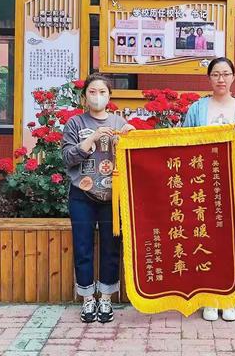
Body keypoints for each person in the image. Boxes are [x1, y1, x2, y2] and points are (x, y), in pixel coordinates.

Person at [183, 57, 235, 323]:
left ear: (233, 77)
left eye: (226, 73)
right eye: (216, 74)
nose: (221, 78)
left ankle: (229, 299)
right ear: (209, 78)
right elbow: (183, 144)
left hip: (234, 184)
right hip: (202, 186)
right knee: (204, 242)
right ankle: (208, 299)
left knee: (231, 244)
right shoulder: (197, 108)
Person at [62, 73, 135, 324]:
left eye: (102, 92)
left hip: (112, 198)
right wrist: (91, 138)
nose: (97, 96)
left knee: (110, 247)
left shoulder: (119, 122)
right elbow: (67, 157)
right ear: (84, 97)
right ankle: (87, 298)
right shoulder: (74, 123)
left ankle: (105, 297)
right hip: (81, 195)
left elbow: (132, 158)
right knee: (82, 247)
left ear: (109, 96)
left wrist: (131, 136)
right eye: (92, 92)